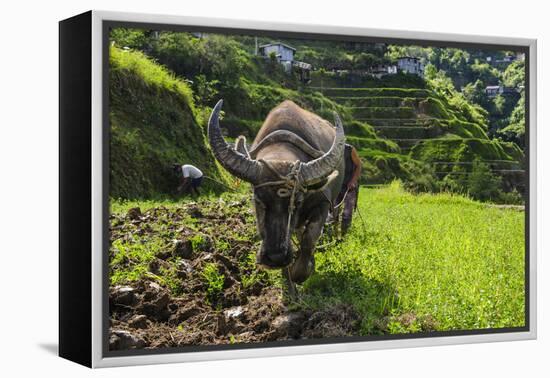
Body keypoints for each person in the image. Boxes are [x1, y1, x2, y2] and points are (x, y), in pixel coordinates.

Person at [337, 144, 362, 235]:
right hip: (336, 186)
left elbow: (359, 165)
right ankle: (332, 234)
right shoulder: (327, 149)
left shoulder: (349, 149)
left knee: (347, 213)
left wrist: (353, 181)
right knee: (332, 212)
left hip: (349, 185)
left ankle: (345, 236)